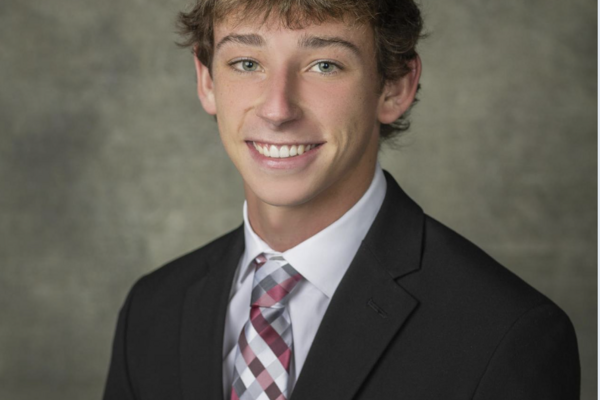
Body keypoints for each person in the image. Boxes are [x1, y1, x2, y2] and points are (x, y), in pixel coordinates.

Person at [103, 1, 580, 399]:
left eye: (324, 65)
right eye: (246, 63)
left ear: (394, 87)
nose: (277, 108)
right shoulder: (152, 312)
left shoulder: (507, 336)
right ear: (207, 81)